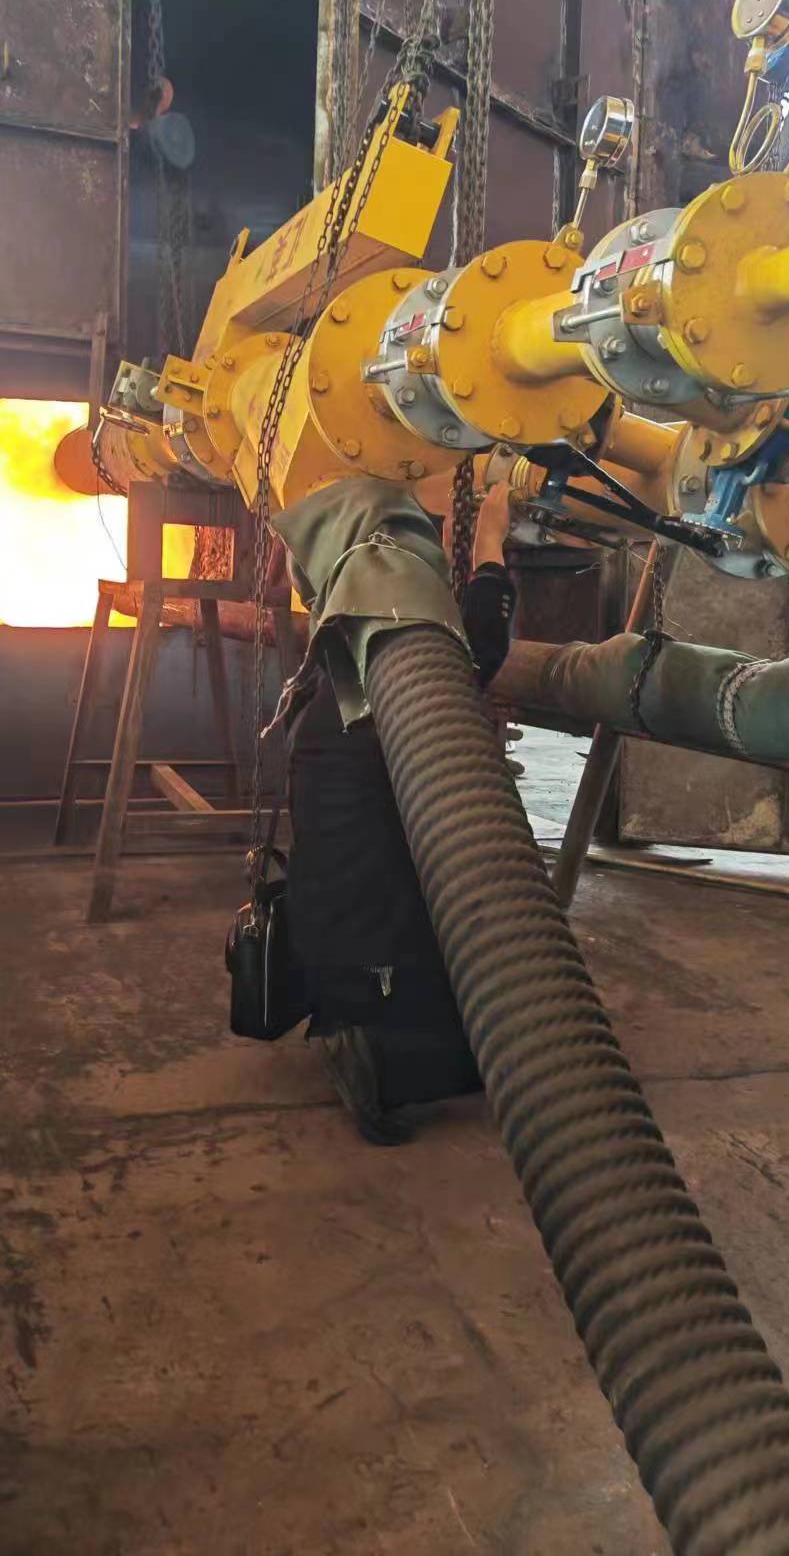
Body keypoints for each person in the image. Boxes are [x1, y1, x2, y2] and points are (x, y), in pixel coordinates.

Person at [285, 485, 517, 1145]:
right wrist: (490, 541)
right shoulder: (394, 677)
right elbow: (477, 651)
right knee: (492, 1056)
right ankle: (380, 1062)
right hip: (374, 941)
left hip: (331, 931)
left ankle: (353, 1026)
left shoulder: (338, 661)